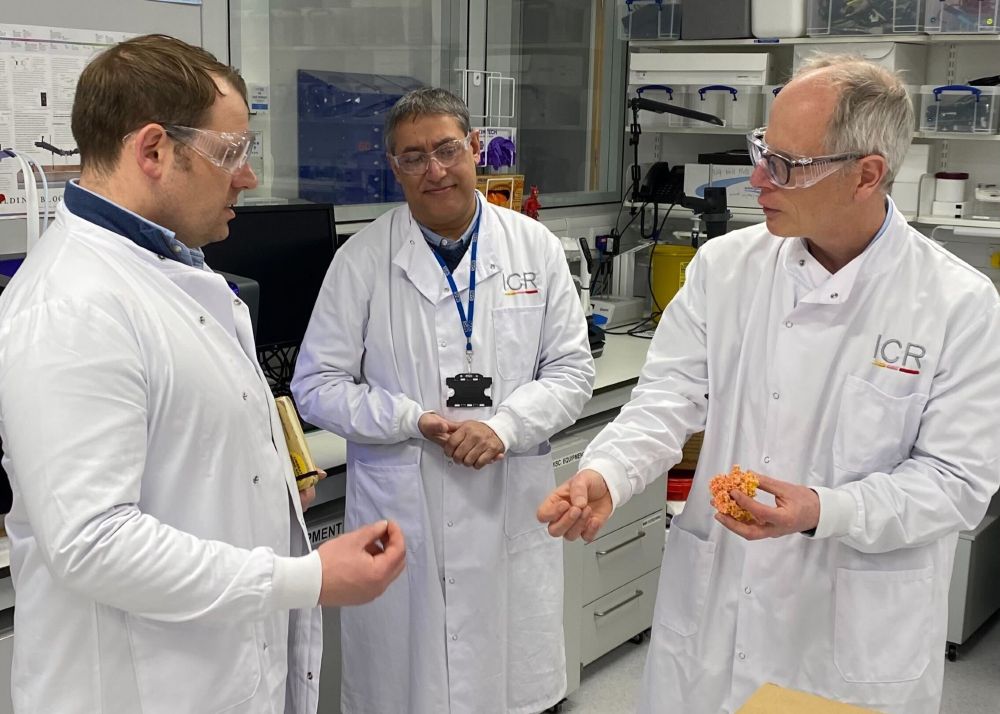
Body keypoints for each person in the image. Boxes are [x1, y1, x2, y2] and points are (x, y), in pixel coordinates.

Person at [538, 55, 1000, 714]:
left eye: (788, 163)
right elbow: (665, 403)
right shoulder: (725, 269)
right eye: (763, 150)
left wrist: (820, 510)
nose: (757, 178)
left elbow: (957, 485)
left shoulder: (958, 303)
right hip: (716, 617)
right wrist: (606, 474)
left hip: (849, 638)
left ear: (868, 174)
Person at [0, 34, 405, 714]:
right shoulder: (74, 306)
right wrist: (302, 577)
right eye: (231, 152)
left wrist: (264, 489)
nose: (247, 176)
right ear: (153, 151)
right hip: (141, 688)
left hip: (211, 670)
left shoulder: (170, 268)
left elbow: (179, 448)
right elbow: (95, 543)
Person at [291, 87, 596, 714]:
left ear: (474, 151)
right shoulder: (362, 260)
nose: (434, 170)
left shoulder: (533, 247)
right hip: (406, 503)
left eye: (446, 149)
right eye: (413, 157)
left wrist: (505, 427)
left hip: (507, 498)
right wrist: (412, 420)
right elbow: (315, 387)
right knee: (406, 687)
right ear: (394, 167)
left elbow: (571, 370)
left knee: (510, 680)